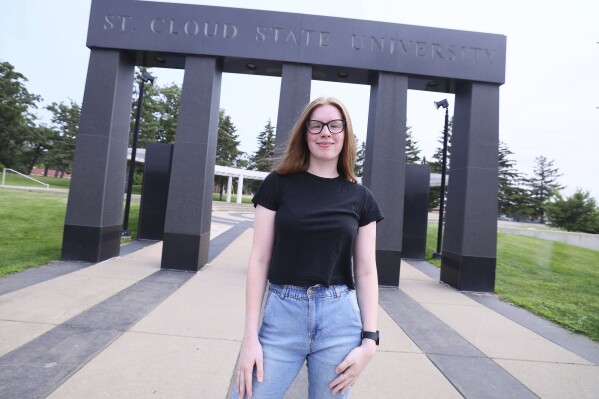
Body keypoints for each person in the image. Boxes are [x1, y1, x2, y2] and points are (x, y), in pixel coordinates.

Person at [234, 97, 383, 399]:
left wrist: (370, 341)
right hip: (281, 318)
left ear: (345, 134)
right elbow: (259, 259)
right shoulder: (277, 185)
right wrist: (250, 337)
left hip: (339, 322)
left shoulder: (362, 198)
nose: (325, 132)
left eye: (334, 125)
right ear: (305, 134)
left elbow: (366, 271)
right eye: (316, 125)